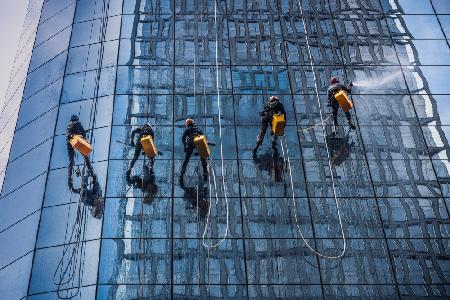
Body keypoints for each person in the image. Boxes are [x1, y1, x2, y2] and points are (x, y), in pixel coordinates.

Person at [66, 115, 95, 190]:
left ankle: (69, 178)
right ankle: (90, 169)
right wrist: (84, 140)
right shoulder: (78, 123)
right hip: (76, 140)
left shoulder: (69, 125)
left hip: (69, 142)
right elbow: (83, 132)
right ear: (77, 119)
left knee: (71, 161)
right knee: (85, 154)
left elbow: (73, 132)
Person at [180, 118, 208, 182]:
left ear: (187, 124)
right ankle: (205, 172)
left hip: (190, 144)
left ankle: (182, 172)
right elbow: (203, 138)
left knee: (186, 159)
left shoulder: (188, 129)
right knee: (203, 159)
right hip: (199, 143)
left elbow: (183, 138)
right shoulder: (198, 130)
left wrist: (185, 146)